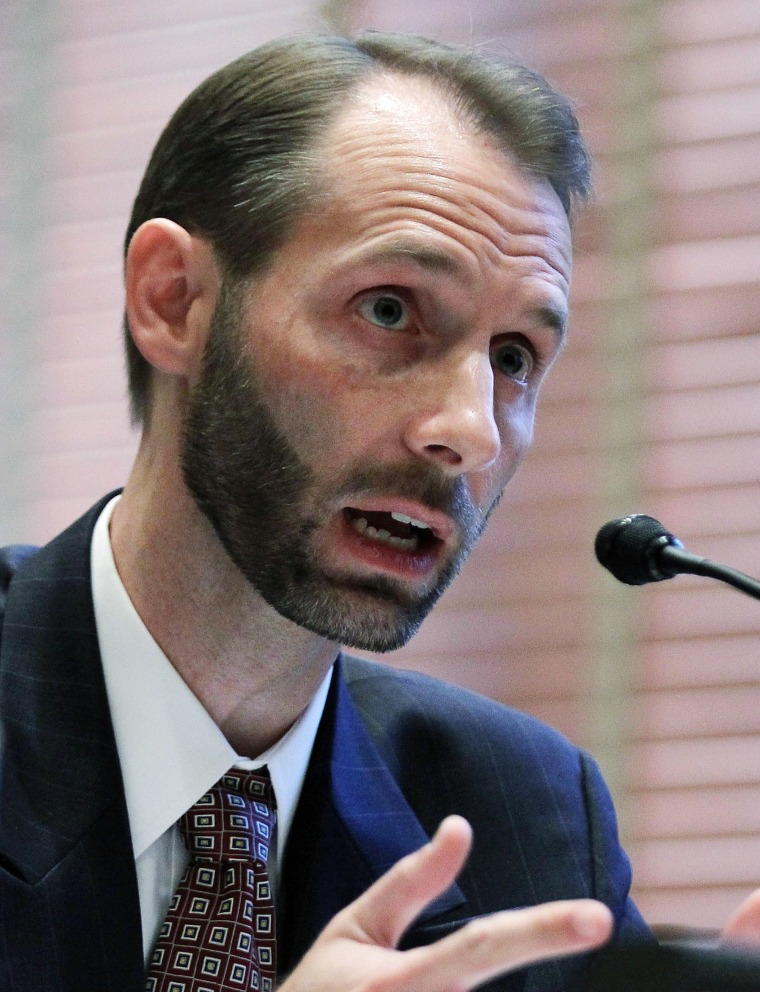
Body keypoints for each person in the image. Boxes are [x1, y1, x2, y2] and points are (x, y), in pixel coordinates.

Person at [0, 31, 653, 992]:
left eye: (513, 357)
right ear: (174, 301)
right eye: (389, 311)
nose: (468, 431)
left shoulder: (530, 816)